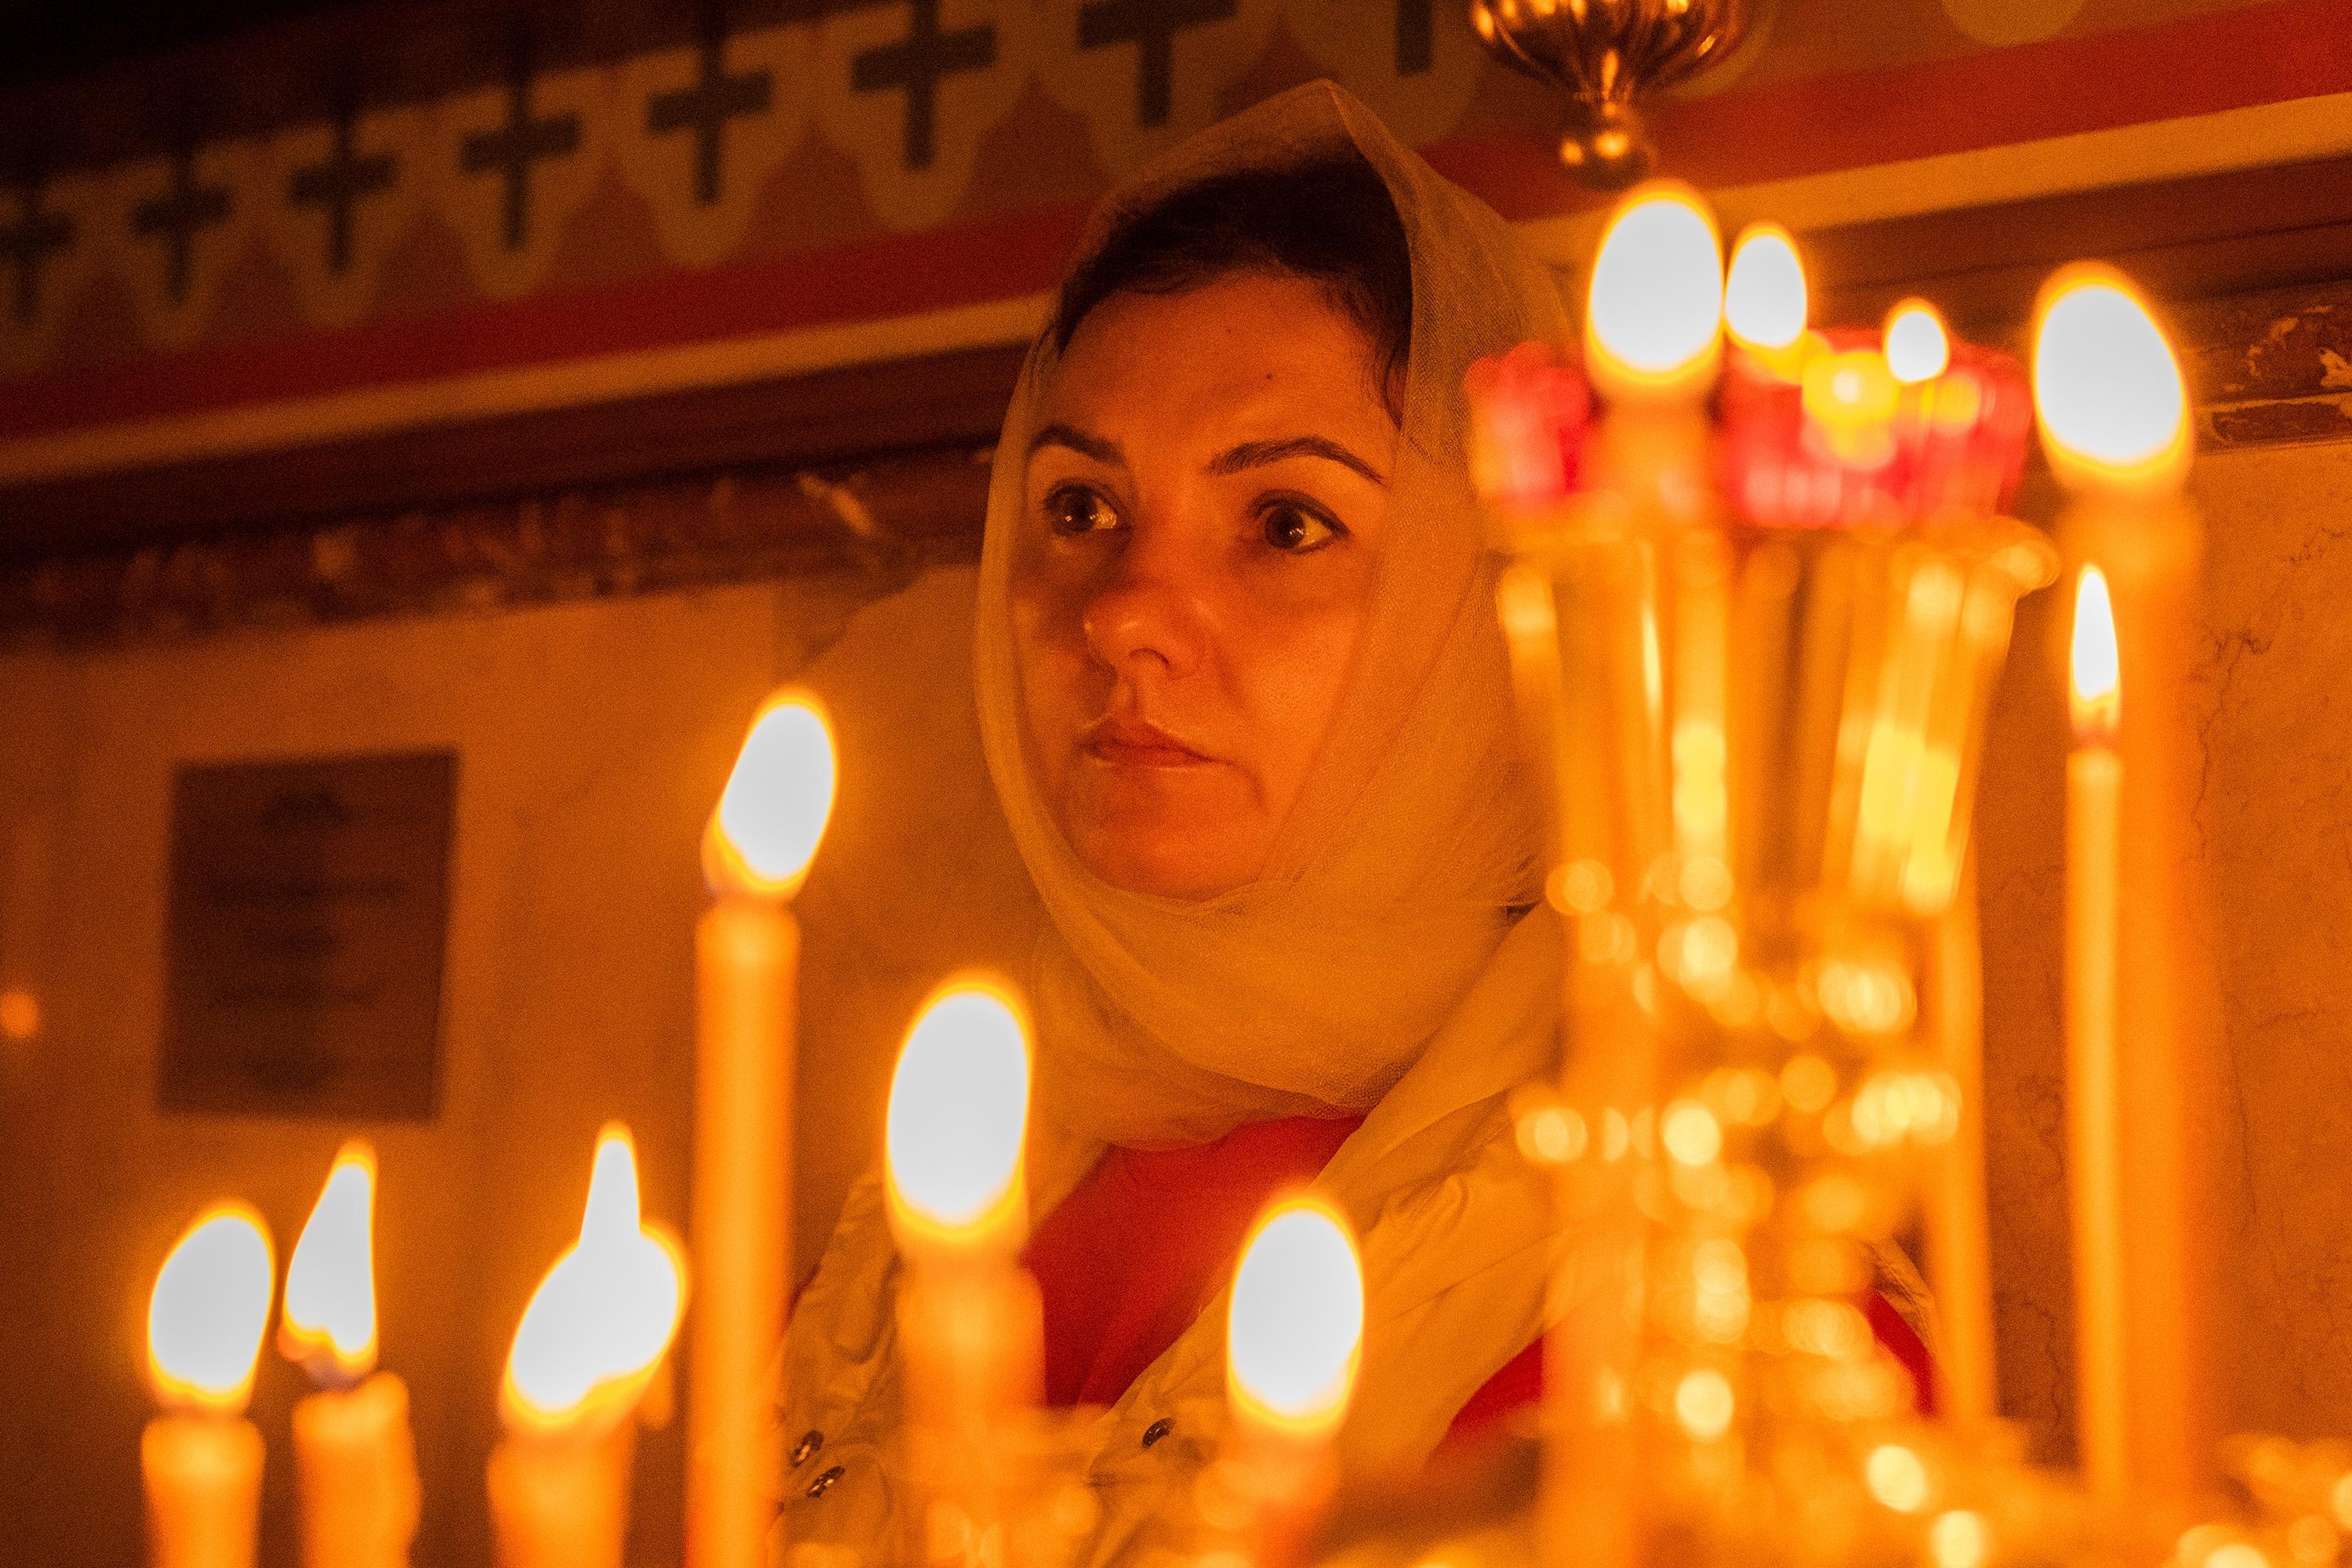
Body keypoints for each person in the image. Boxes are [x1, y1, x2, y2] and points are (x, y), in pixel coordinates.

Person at [771, 80, 1930, 1563]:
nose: (1121, 615)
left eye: (1287, 523)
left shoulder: (1708, 1315)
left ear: (1491, 601)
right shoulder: (928, 1215)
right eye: (1079, 509)